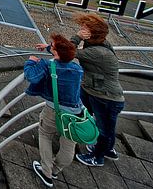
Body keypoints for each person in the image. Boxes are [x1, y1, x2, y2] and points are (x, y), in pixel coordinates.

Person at [26, 34, 84, 187]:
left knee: (45, 135)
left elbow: (31, 76)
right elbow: (62, 53)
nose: (50, 46)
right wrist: (47, 48)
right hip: (76, 112)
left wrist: (30, 62)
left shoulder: (48, 65)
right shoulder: (77, 69)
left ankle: (46, 171)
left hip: (54, 110)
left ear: (56, 53)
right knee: (68, 144)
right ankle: (56, 169)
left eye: (52, 46)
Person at [71, 14, 124, 167]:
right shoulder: (100, 45)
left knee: (104, 130)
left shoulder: (98, 52)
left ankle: (97, 157)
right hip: (97, 92)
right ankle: (107, 149)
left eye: (84, 29)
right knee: (106, 127)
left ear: (92, 33)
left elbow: (65, 51)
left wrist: (77, 37)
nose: (81, 30)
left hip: (106, 98)